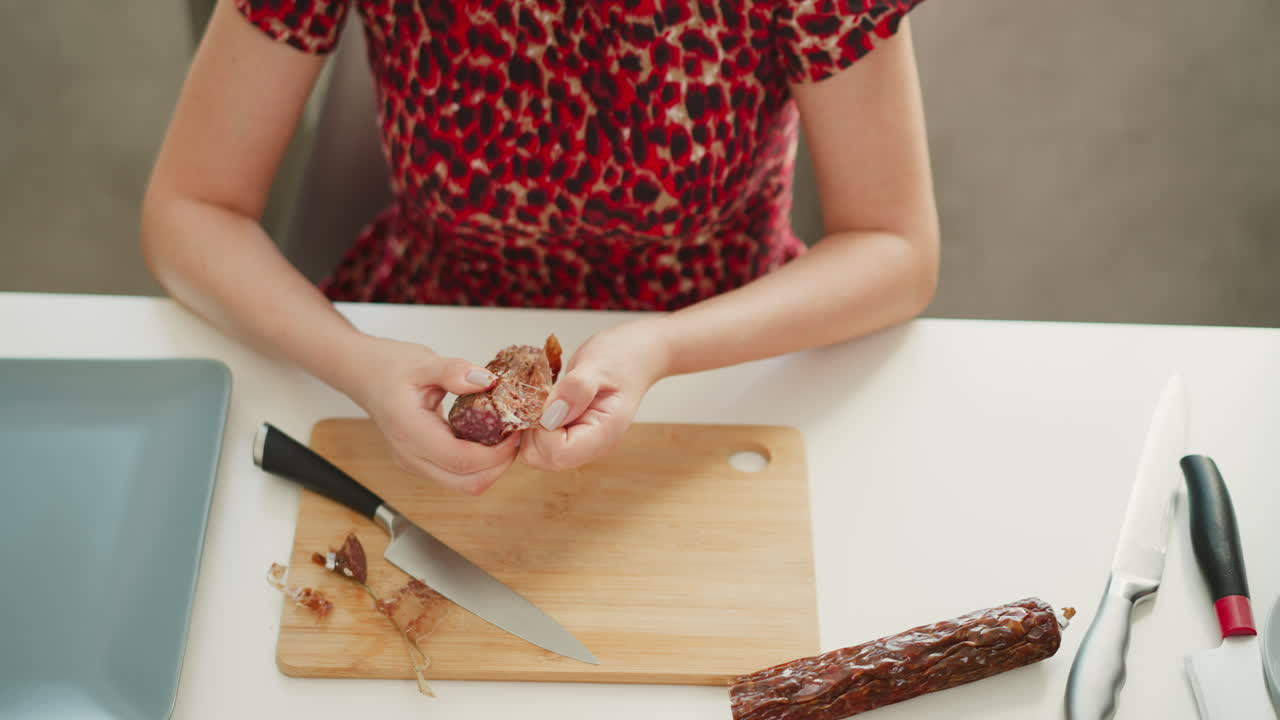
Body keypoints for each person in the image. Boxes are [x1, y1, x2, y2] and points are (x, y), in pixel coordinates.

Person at [141, 0, 939, 495]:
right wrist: (360, 365)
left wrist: (663, 347)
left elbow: (894, 247)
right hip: (429, 336)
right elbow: (189, 211)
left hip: (730, 359)